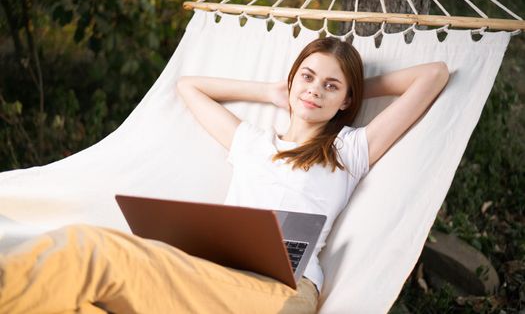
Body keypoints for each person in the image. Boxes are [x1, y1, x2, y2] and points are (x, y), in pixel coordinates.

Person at [0, 37, 449, 313]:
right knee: (79, 295)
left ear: (346, 100)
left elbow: (433, 74)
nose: (314, 88)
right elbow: (188, 88)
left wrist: (349, 90)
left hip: (283, 291)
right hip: (213, 275)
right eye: (307, 77)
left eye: (330, 86)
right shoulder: (251, 142)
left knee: (89, 249)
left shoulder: (348, 150)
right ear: (291, 80)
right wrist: (276, 92)